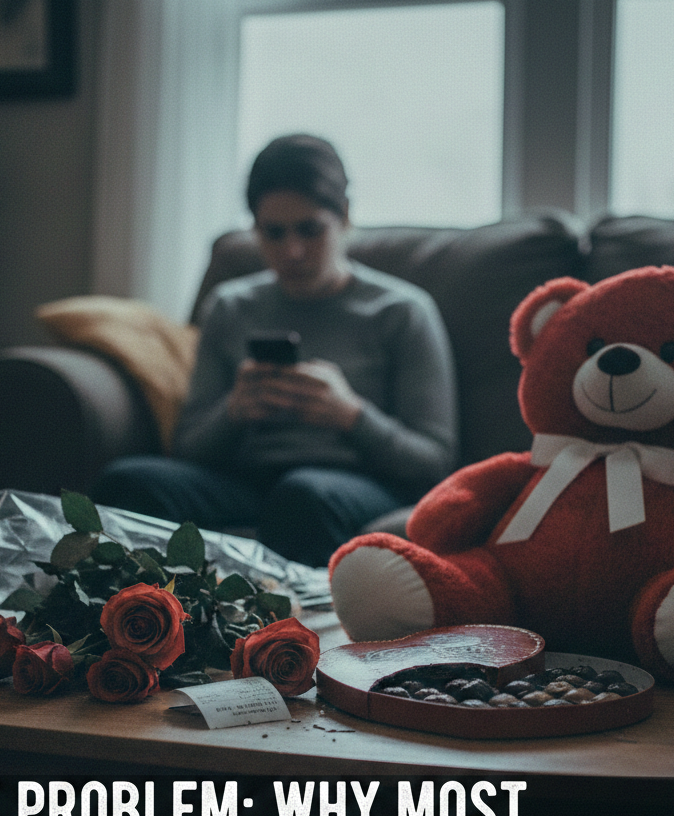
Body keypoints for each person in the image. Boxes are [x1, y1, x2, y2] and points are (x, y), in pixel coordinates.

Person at [92, 134, 458, 567]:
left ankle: (286, 635)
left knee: (302, 495)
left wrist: (351, 415)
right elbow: (187, 448)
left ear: (344, 218)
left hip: (352, 483)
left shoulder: (401, 311)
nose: (292, 251)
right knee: (129, 480)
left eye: (310, 229)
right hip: (247, 481)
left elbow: (435, 460)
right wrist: (234, 410)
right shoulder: (231, 306)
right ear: (254, 229)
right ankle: (145, 625)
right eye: (274, 233)